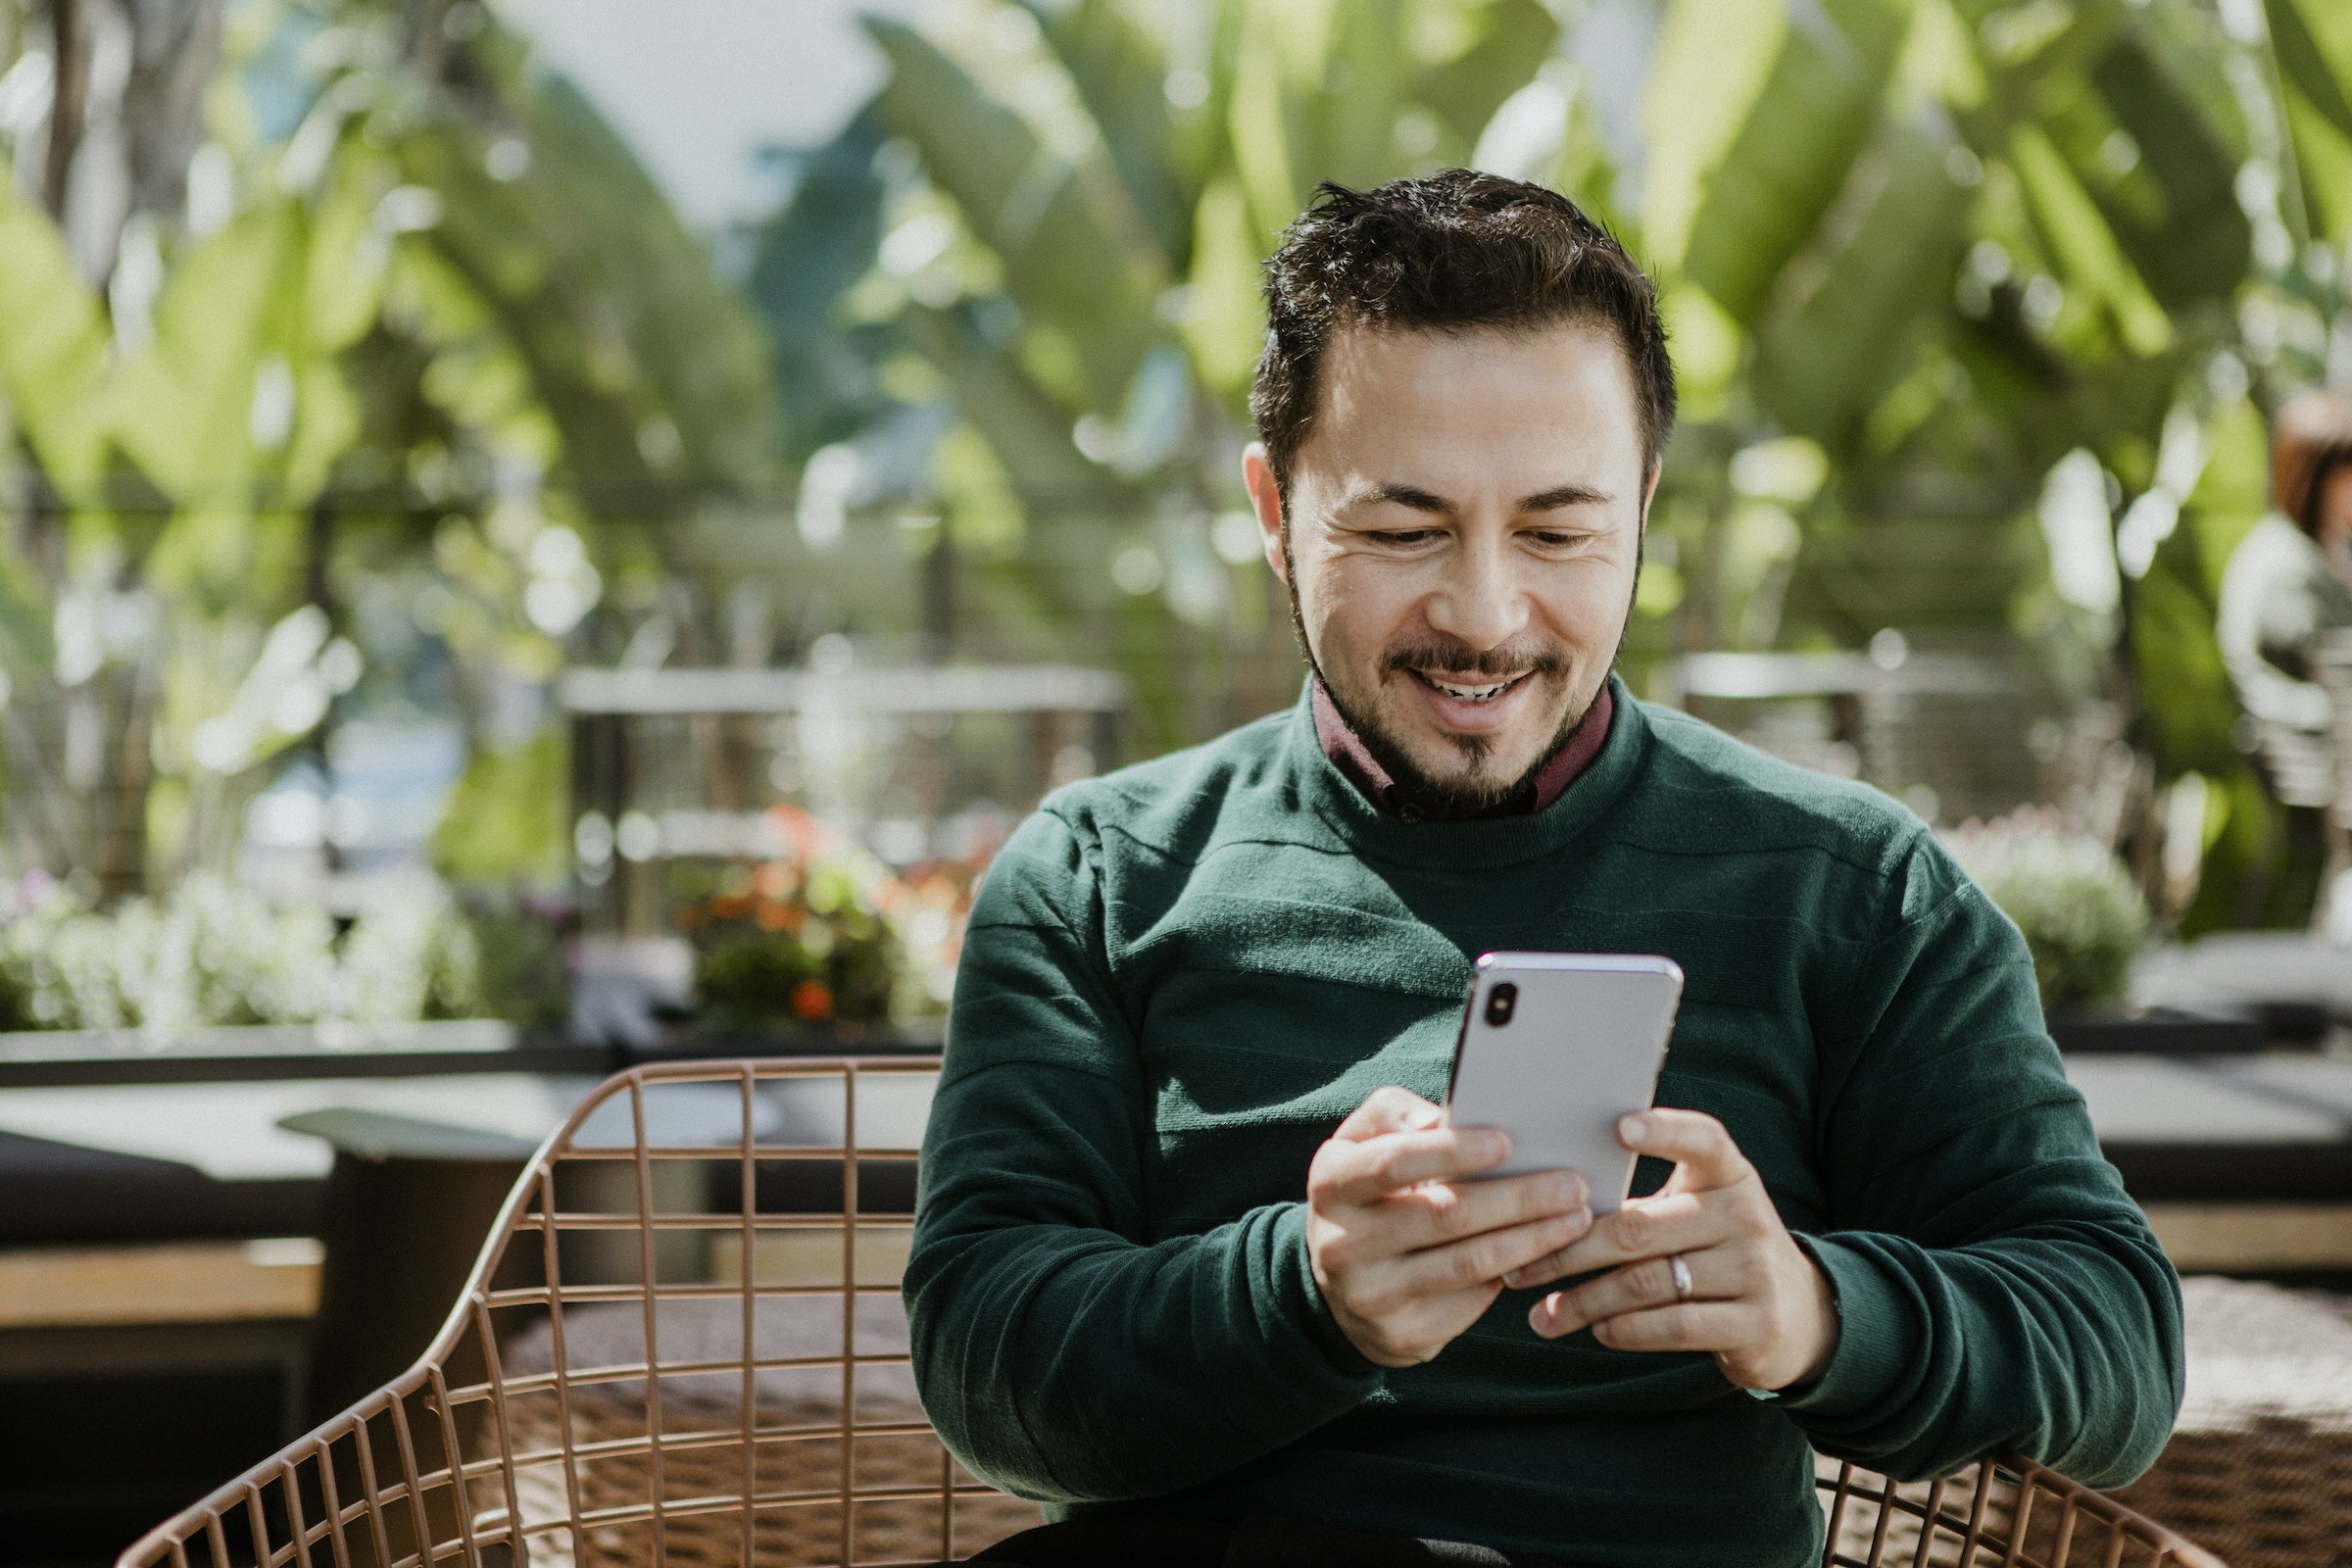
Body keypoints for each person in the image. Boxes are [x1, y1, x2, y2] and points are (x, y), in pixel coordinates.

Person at [907, 172, 2181, 1568]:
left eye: (1559, 531)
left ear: (1643, 505)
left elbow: (2113, 1338)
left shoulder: (1849, 888)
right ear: (1276, 513)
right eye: (1404, 531)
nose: (1485, 613)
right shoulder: (1100, 877)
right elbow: (986, 1358)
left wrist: (1812, 1309)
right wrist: (1303, 1294)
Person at [2217, 389, 2352, 793]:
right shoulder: (2287, 568)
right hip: (2320, 758)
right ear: (2314, 477)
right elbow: (2336, 671)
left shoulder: (2301, 550)